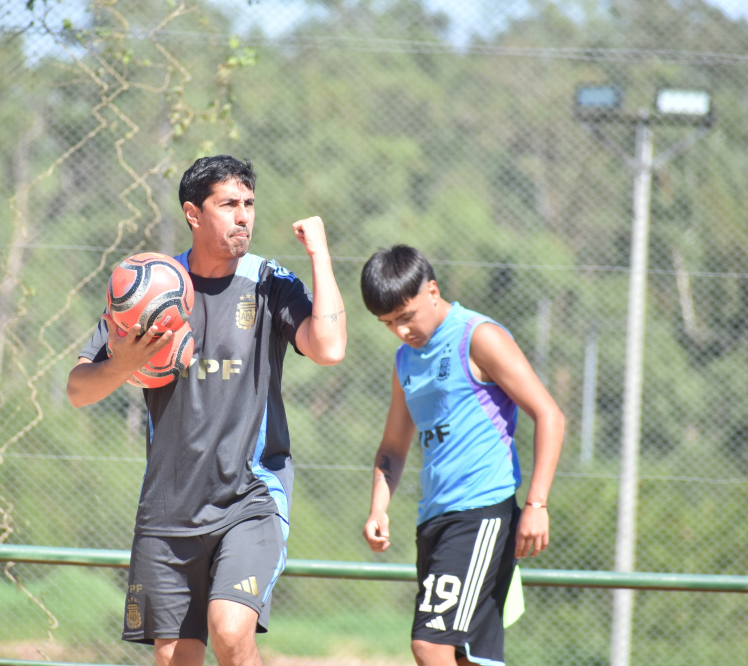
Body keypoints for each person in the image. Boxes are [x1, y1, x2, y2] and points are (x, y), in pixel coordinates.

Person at [66, 155, 347, 666]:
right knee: (174, 657)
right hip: (168, 509)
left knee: (230, 630)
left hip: (249, 497)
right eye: (229, 204)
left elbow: (329, 348)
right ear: (193, 214)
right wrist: (121, 364)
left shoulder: (268, 282)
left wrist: (320, 254)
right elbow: (78, 390)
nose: (243, 216)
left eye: (249, 204)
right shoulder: (151, 285)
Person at [359, 244, 563, 666]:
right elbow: (393, 447)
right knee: (464, 656)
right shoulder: (405, 360)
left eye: (407, 316)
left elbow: (550, 415)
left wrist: (537, 504)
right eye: (388, 323)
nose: (401, 331)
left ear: (432, 291)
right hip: (434, 519)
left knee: (429, 644)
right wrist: (378, 508)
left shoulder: (478, 337)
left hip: (480, 513)